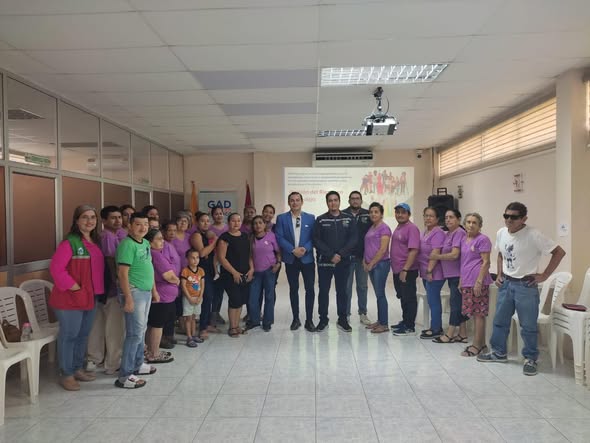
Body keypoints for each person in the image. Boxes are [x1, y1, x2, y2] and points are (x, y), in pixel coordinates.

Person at [478, 202, 566, 376]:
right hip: (506, 284)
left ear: (524, 219)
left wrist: (545, 275)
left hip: (525, 285)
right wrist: (500, 274)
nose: (509, 220)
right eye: (506, 216)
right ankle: (499, 352)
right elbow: (501, 254)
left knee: (528, 325)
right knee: (500, 321)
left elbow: (559, 252)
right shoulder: (501, 233)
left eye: (514, 217)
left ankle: (530, 358)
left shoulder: (534, 235)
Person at [49, 205, 104, 391]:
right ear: (76, 221)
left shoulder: (95, 242)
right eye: (84, 217)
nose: (89, 221)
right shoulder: (69, 243)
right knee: (70, 335)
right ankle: (66, 374)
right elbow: (56, 270)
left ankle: (77, 368)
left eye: (93, 217)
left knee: (83, 334)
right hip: (70, 298)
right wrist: (77, 288)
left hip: (90, 296)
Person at [115, 212, 158, 389]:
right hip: (134, 292)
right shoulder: (127, 245)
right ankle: (125, 375)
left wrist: (154, 290)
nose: (143, 227)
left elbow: (149, 267)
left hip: (145, 291)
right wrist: (128, 298)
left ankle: (138, 364)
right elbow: (122, 274)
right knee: (134, 334)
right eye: (138, 224)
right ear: (130, 226)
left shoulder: (145, 243)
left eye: (145, 224)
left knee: (141, 331)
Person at [87, 206, 125, 375]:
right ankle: (112, 363)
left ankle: (94, 359)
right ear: (103, 221)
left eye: (119, 217)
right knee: (114, 327)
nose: (117, 221)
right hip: (110, 288)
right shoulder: (107, 236)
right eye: (113, 218)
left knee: (98, 326)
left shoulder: (115, 235)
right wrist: (118, 281)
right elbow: (110, 261)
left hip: (100, 289)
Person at [313, 191, 357, 332]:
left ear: (339, 201)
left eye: (335, 200)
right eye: (330, 200)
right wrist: (331, 255)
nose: (333, 203)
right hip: (325, 262)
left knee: (342, 291)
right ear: (327, 203)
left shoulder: (349, 219)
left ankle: (342, 320)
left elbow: (353, 239)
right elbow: (316, 240)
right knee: (323, 291)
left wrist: (341, 254)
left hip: (343, 262)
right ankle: (323, 320)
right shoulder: (320, 220)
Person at [275, 192, 317, 332]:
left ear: (302, 202)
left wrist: (305, 249)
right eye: (292, 200)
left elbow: (314, 237)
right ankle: (295, 319)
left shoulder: (310, 218)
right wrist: (293, 250)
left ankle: (309, 320)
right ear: (289, 203)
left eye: (297, 200)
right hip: (291, 259)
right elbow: (279, 237)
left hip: (307, 259)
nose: (295, 203)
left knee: (309, 289)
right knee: (293, 289)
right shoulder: (282, 218)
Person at [457, 213, 493, 357]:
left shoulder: (483, 239)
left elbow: (486, 262)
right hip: (466, 281)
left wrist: (479, 282)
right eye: (468, 222)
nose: (471, 225)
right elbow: (463, 262)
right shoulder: (464, 240)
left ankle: (476, 346)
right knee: (473, 313)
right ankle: (481, 344)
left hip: (478, 282)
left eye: (474, 223)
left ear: (480, 226)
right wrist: (461, 280)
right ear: (464, 224)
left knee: (479, 314)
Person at [431, 209, 468, 344]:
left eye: (451, 217)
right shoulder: (448, 233)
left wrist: (437, 256)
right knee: (458, 303)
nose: (448, 220)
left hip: (458, 275)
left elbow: (454, 255)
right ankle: (463, 334)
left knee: (455, 305)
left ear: (458, 219)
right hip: (451, 275)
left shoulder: (459, 232)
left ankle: (450, 334)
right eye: (446, 217)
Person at [217, 213, 254, 337]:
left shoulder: (245, 236)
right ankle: (232, 327)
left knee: (241, 300)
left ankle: (237, 325)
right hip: (230, 275)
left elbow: (249, 255)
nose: (236, 223)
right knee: (235, 299)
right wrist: (234, 272)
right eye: (233, 221)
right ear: (228, 222)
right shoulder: (224, 238)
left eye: (238, 220)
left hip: (245, 273)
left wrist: (251, 269)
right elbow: (222, 258)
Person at [145, 229, 177, 364]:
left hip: (161, 295)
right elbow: (168, 276)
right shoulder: (155, 254)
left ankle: (149, 350)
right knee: (157, 325)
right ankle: (154, 353)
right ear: (150, 242)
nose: (162, 241)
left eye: (162, 238)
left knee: (153, 324)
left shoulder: (152, 253)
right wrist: (177, 281)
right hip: (161, 296)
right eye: (158, 239)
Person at [390, 203, 420, 336]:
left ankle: (409, 326)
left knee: (409, 297)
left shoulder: (412, 228)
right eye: (397, 212)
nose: (400, 215)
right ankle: (405, 321)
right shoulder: (399, 227)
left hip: (407, 270)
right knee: (403, 297)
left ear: (409, 214)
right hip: (398, 269)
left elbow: (414, 250)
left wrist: (405, 269)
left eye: (403, 212)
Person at [342, 191, 372, 325]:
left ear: (361, 200)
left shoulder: (368, 214)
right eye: (352, 198)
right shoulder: (343, 214)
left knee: (362, 286)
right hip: (347, 258)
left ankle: (363, 313)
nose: (355, 201)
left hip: (362, 258)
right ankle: (346, 314)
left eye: (357, 198)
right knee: (346, 288)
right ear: (349, 201)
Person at [248, 215, 281, 331]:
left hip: (269, 271)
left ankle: (267, 322)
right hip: (255, 272)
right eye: (255, 223)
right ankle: (255, 320)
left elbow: (278, 252)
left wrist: (278, 263)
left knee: (269, 297)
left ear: (264, 224)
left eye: (260, 223)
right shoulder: (250, 238)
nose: (258, 225)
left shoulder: (271, 236)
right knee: (253, 298)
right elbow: (249, 256)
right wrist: (251, 269)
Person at [417, 207, 446, 339]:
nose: (428, 218)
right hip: (425, 271)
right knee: (431, 299)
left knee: (433, 301)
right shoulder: (425, 231)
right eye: (426, 215)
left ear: (437, 219)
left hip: (434, 272)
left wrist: (429, 270)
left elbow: (435, 253)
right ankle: (435, 326)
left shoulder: (438, 233)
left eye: (431, 216)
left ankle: (436, 329)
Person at [363, 202, 392, 334]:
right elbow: (367, 246)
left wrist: (371, 263)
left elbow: (382, 250)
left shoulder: (384, 228)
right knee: (378, 293)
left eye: (376, 212)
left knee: (380, 294)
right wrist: (365, 261)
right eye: (371, 212)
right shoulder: (372, 227)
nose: (373, 214)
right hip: (371, 265)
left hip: (381, 264)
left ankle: (384, 324)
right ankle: (380, 321)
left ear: (381, 214)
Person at [190, 211, 219, 339]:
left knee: (210, 298)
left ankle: (206, 324)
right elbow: (202, 253)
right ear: (197, 222)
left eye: (208, 221)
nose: (206, 223)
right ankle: (202, 328)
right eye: (202, 221)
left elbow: (210, 253)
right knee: (206, 298)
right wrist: (215, 241)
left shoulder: (207, 235)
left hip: (210, 269)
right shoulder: (196, 235)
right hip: (201, 271)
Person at [181, 249, 205, 347]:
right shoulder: (185, 271)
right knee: (188, 318)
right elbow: (183, 286)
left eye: (197, 258)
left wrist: (200, 296)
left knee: (194, 317)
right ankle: (189, 337)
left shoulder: (201, 271)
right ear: (187, 259)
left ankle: (194, 335)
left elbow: (202, 285)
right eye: (193, 258)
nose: (195, 260)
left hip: (198, 298)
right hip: (188, 299)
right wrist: (189, 298)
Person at [209, 206, 228, 326]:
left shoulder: (228, 227)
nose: (219, 216)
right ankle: (211, 314)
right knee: (213, 290)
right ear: (212, 216)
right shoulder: (209, 229)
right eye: (216, 214)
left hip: (226, 261)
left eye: (220, 213)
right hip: (213, 262)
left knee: (220, 290)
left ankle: (216, 313)